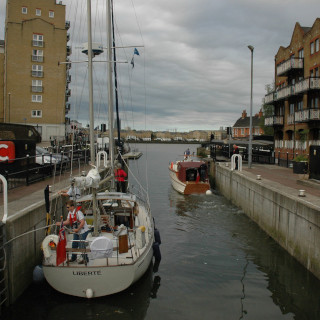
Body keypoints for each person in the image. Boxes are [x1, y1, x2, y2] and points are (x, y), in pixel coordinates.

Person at [56, 200, 89, 264]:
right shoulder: (70, 213)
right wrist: (60, 223)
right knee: (74, 244)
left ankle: (85, 259)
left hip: (83, 231)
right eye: (67, 207)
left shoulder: (78, 213)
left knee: (81, 244)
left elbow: (82, 222)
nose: (67, 208)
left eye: (68, 207)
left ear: (72, 207)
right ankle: (73, 258)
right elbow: (68, 221)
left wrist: (78, 229)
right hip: (76, 231)